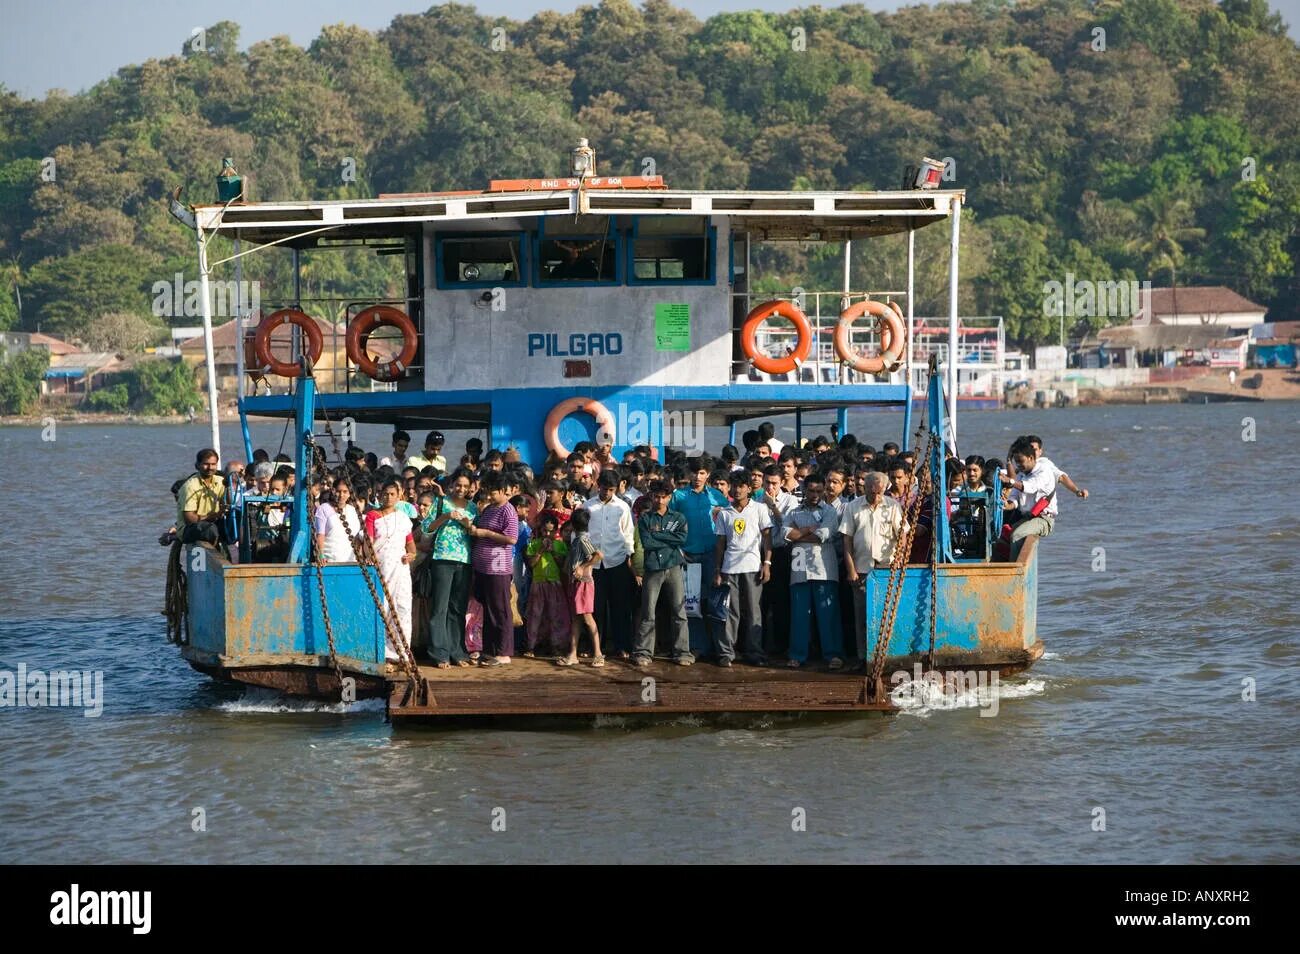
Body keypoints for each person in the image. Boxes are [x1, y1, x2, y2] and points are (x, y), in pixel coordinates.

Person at [840, 472, 904, 663]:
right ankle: (863, 657)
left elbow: (902, 534)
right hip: (861, 569)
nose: (875, 496)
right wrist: (850, 569)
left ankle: (888, 655)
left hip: (886, 569)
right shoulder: (853, 507)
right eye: (872, 491)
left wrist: (899, 559)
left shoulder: (893, 506)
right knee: (862, 617)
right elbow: (847, 540)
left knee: (887, 615)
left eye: (879, 492)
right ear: (865, 488)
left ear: (885, 489)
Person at [416, 469, 476, 668]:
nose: (461, 489)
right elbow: (426, 528)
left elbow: (474, 533)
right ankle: (439, 653)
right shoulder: (440, 503)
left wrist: (468, 524)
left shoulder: (473, 507)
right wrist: (446, 516)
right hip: (442, 558)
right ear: (451, 485)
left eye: (466, 486)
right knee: (440, 607)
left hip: (464, 559)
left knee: (457, 608)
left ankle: (457, 651)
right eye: (458, 485)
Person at [783, 475, 844, 670]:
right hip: (799, 566)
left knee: (828, 613)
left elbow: (823, 536)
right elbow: (784, 534)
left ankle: (833, 654)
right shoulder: (793, 512)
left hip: (823, 567)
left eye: (819, 491)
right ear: (804, 490)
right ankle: (797, 654)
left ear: (824, 490)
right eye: (811, 491)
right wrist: (808, 530)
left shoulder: (830, 512)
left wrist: (798, 535)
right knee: (799, 614)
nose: (815, 495)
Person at [671, 459, 730, 659]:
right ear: (689, 474)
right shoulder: (678, 496)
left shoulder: (717, 496)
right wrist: (678, 549)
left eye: (702, 473)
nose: (697, 477)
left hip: (713, 555)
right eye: (694, 473)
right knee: (691, 604)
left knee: (716, 602)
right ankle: (697, 646)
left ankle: (720, 648)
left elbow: (730, 522)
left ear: (708, 475)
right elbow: (669, 522)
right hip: (688, 556)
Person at [712, 477, 772, 666]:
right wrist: (718, 570)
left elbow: (767, 539)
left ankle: (754, 652)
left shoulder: (760, 509)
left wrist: (767, 563)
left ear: (748, 488)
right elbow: (720, 544)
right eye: (735, 486)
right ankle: (726, 653)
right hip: (730, 568)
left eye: (741, 486)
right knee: (730, 612)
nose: (737, 490)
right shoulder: (724, 513)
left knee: (754, 612)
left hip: (753, 567)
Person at [632, 481, 692, 667]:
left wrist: (658, 535)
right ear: (652, 496)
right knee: (648, 612)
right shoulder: (645, 519)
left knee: (679, 611)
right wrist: (668, 537)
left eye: (664, 496)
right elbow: (647, 543)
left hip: (673, 566)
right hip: (652, 568)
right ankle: (643, 652)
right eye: (656, 496)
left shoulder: (679, 517)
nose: (660, 500)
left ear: (670, 497)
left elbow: (682, 539)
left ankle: (682, 652)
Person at [583, 471, 636, 658]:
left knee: (620, 606)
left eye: (611, 489)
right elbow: (582, 532)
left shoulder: (622, 507)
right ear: (598, 485)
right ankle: (596, 646)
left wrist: (629, 556)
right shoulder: (587, 506)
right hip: (594, 564)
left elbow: (628, 533)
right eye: (604, 488)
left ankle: (622, 646)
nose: (607, 492)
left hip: (618, 560)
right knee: (595, 607)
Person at [469, 471, 519, 666]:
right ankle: (489, 649)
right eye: (488, 491)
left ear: (503, 492)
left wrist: (485, 533)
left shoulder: (508, 510)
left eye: (494, 492)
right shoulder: (489, 509)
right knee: (489, 609)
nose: (490, 495)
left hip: (499, 567)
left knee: (501, 610)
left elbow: (511, 538)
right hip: (484, 567)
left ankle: (504, 651)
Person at [365, 478, 417, 665]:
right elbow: (369, 541)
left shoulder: (403, 518)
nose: (388, 497)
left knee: (402, 607)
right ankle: (383, 651)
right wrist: (369, 557)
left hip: (400, 568)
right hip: (382, 566)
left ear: (399, 496)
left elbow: (411, 545)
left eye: (392, 494)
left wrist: (411, 555)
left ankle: (401, 651)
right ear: (379, 495)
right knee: (383, 606)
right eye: (385, 494)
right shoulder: (373, 515)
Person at [557, 508, 604, 667]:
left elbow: (598, 555)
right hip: (576, 583)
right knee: (576, 619)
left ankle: (598, 653)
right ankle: (573, 654)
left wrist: (582, 567)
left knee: (587, 618)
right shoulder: (577, 539)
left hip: (583, 583)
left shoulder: (583, 540)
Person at [524, 512, 571, 656]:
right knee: (535, 615)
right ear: (540, 530)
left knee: (555, 615)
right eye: (545, 530)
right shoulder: (533, 544)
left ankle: (556, 645)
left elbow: (563, 565)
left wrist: (553, 551)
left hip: (554, 584)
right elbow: (531, 564)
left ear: (556, 531)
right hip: (538, 583)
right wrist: (540, 551)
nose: (547, 534)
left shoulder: (560, 545)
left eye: (551, 531)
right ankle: (532, 646)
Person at [176, 449, 226, 546]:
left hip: (212, 523)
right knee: (210, 529)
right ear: (198, 465)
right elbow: (189, 519)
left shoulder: (221, 482)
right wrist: (214, 516)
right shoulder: (190, 486)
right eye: (206, 464)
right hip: (189, 528)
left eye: (213, 464)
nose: (210, 467)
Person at [313, 477, 362, 563]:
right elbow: (320, 535)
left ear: (350, 493)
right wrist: (321, 555)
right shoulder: (324, 508)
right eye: (338, 491)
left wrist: (359, 555)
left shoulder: (353, 510)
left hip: (351, 561)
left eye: (345, 492)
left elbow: (357, 537)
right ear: (333, 491)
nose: (341, 495)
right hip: (330, 560)